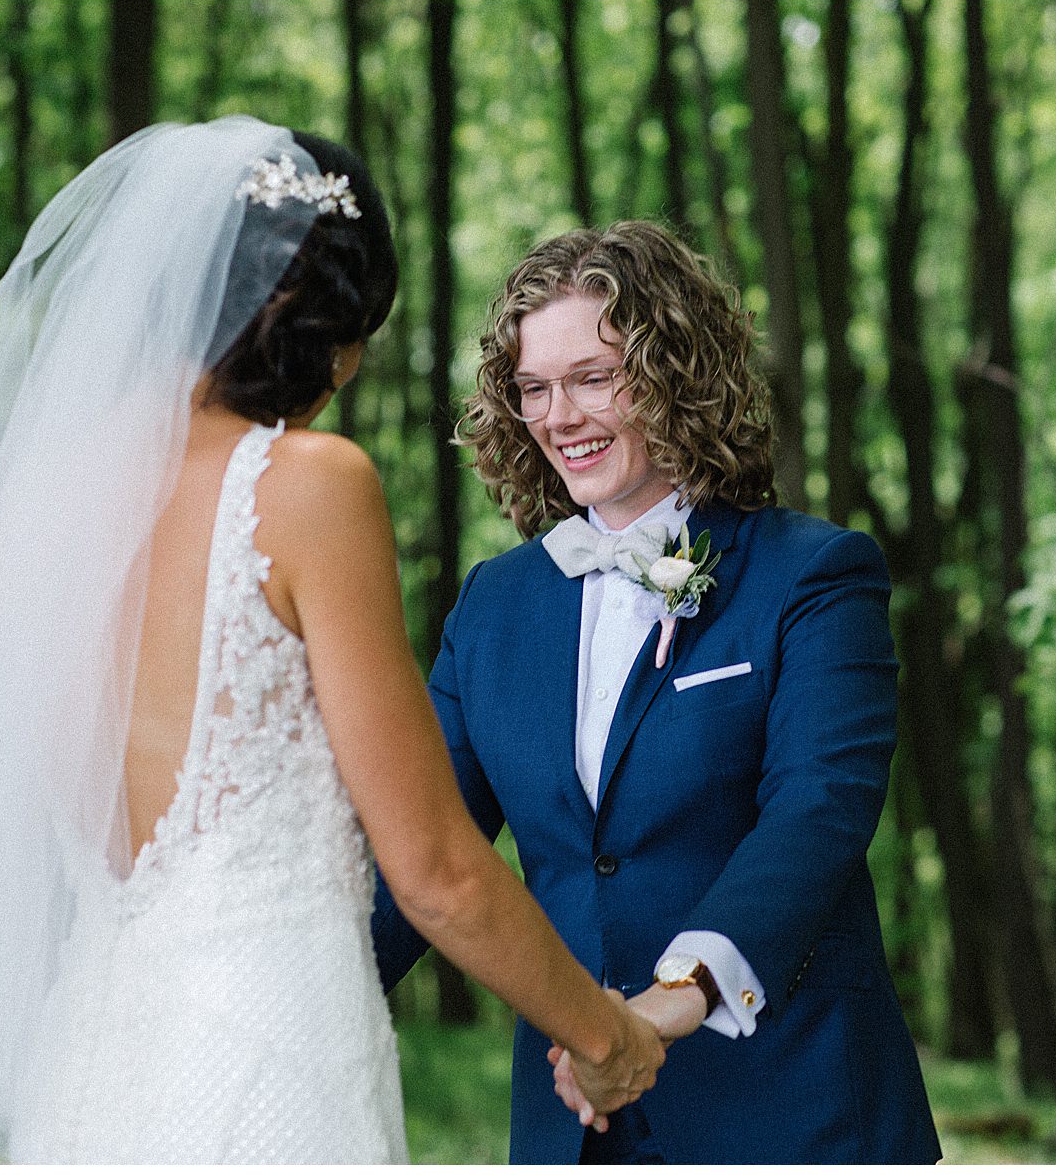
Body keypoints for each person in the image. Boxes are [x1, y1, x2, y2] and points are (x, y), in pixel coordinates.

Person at [0, 119, 665, 1164]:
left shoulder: (40, 502)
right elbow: (435, 865)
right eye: (358, 336)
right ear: (315, 317)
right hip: (271, 1048)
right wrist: (605, 1031)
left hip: (90, 1056)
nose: (346, 372)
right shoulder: (307, 484)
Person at [372, 222, 941, 1163]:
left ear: (677, 372)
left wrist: (672, 1000)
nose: (559, 416)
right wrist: (300, 999)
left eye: (594, 377)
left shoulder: (814, 575)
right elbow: (425, 844)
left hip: (794, 1111)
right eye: (533, 389)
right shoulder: (493, 609)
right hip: (573, 1131)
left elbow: (816, 811)